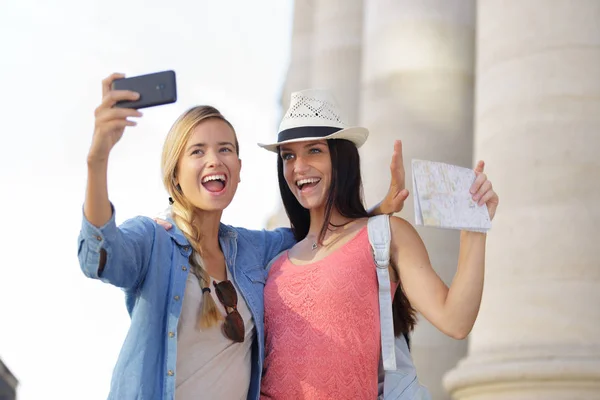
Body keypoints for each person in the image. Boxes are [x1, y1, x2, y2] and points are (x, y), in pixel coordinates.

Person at [77, 74, 403, 400]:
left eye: (225, 149)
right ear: (174, 173)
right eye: (197, 151)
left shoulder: (254, 250)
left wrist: (374, 215)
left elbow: (324, 242)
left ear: (239, 168)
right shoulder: (152, 239)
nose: (214, 160)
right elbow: (99, 258)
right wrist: (97, 160)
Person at [256, 88, 500, 399]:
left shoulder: (385, 236)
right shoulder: (274, 259)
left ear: (340, 157)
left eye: (314, 150)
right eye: (288, 155)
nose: (298, 166)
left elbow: (456, 321)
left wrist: (474, 226)